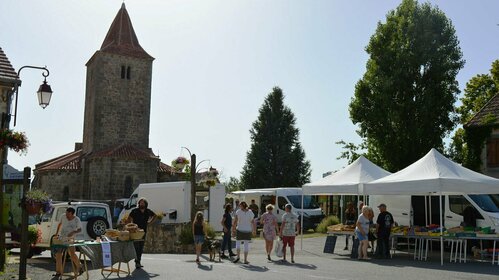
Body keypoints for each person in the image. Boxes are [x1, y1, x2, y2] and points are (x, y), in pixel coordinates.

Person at [126, 197, 157, 269]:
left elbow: (155, 216)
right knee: (136, 247)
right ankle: (137, 262)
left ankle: (138, 261)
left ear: (145, 204)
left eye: (143, 203)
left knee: (141, 247)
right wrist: (131, 226)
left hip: (143, 232)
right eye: (140, 203)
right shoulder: (135, 211)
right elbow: (128, 219)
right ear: (139, 204)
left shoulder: (148, 211)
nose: (141, 204)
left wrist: (149, 222)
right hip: (135, 232)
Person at [54, 207, 83, 278]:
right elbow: (59, 224)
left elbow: (80, 229)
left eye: (68, 214)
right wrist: (56, 233)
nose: (66, 215)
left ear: (72, 214)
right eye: (66, 213)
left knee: (72, 254)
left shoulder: (77, 219)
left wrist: (73, 232)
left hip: (70, 239)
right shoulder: (63, 216)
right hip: (62, 237)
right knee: (58, 254)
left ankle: (80, 267)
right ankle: (58, 272)